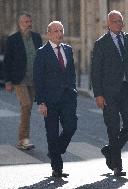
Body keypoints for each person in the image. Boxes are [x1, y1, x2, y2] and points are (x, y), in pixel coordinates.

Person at [91, 10, 128, 177]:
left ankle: (109, 150)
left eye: (121, 21)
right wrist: (98, 94)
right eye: (116, 21)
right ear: (108, 24)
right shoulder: (101, 43)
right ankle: (117, 165)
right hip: (108, 93)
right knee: (113, 128)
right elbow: (95, 71)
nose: (119, 24)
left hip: (127, 90)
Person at [33, 21, 77, 178]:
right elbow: (38, 79)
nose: (60, 33)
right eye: (56, 31)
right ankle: (57, 168)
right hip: (50, 100)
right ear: (49, 33)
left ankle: (55, 151)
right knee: (51, 133)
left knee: (71, 126)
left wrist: (73, 89)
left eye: (61, 30)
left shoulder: (68, 50)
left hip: (68, 97)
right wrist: (41, 102)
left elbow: (71, 72)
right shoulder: (42, 52)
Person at [3, 12, 42, 150]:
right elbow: (7, 61)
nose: (29, 24)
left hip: (34, 79)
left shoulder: (37, 37)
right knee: (25, 105)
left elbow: (41, 57)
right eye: (26, 22)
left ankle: (23, 139)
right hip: (19, 79)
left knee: (28, 108)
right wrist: (7, 80)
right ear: (20, 24)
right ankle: (23, 138)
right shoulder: (13, 39)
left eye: (30, 21)